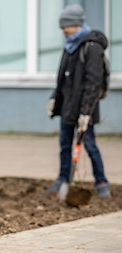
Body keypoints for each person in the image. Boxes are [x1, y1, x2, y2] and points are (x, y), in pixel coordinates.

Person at [45, 4, 111, 198]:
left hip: (84, 109)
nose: (63, 30)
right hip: (67, 107)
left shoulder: (92, 47)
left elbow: (93, 83)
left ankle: (101, 183)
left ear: (76, 24)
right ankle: (62, 179)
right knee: (65, 145)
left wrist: (86, 113)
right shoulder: (69, 47)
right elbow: (63, 79)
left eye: (65, 26)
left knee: (90, 146)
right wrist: (54, 99)